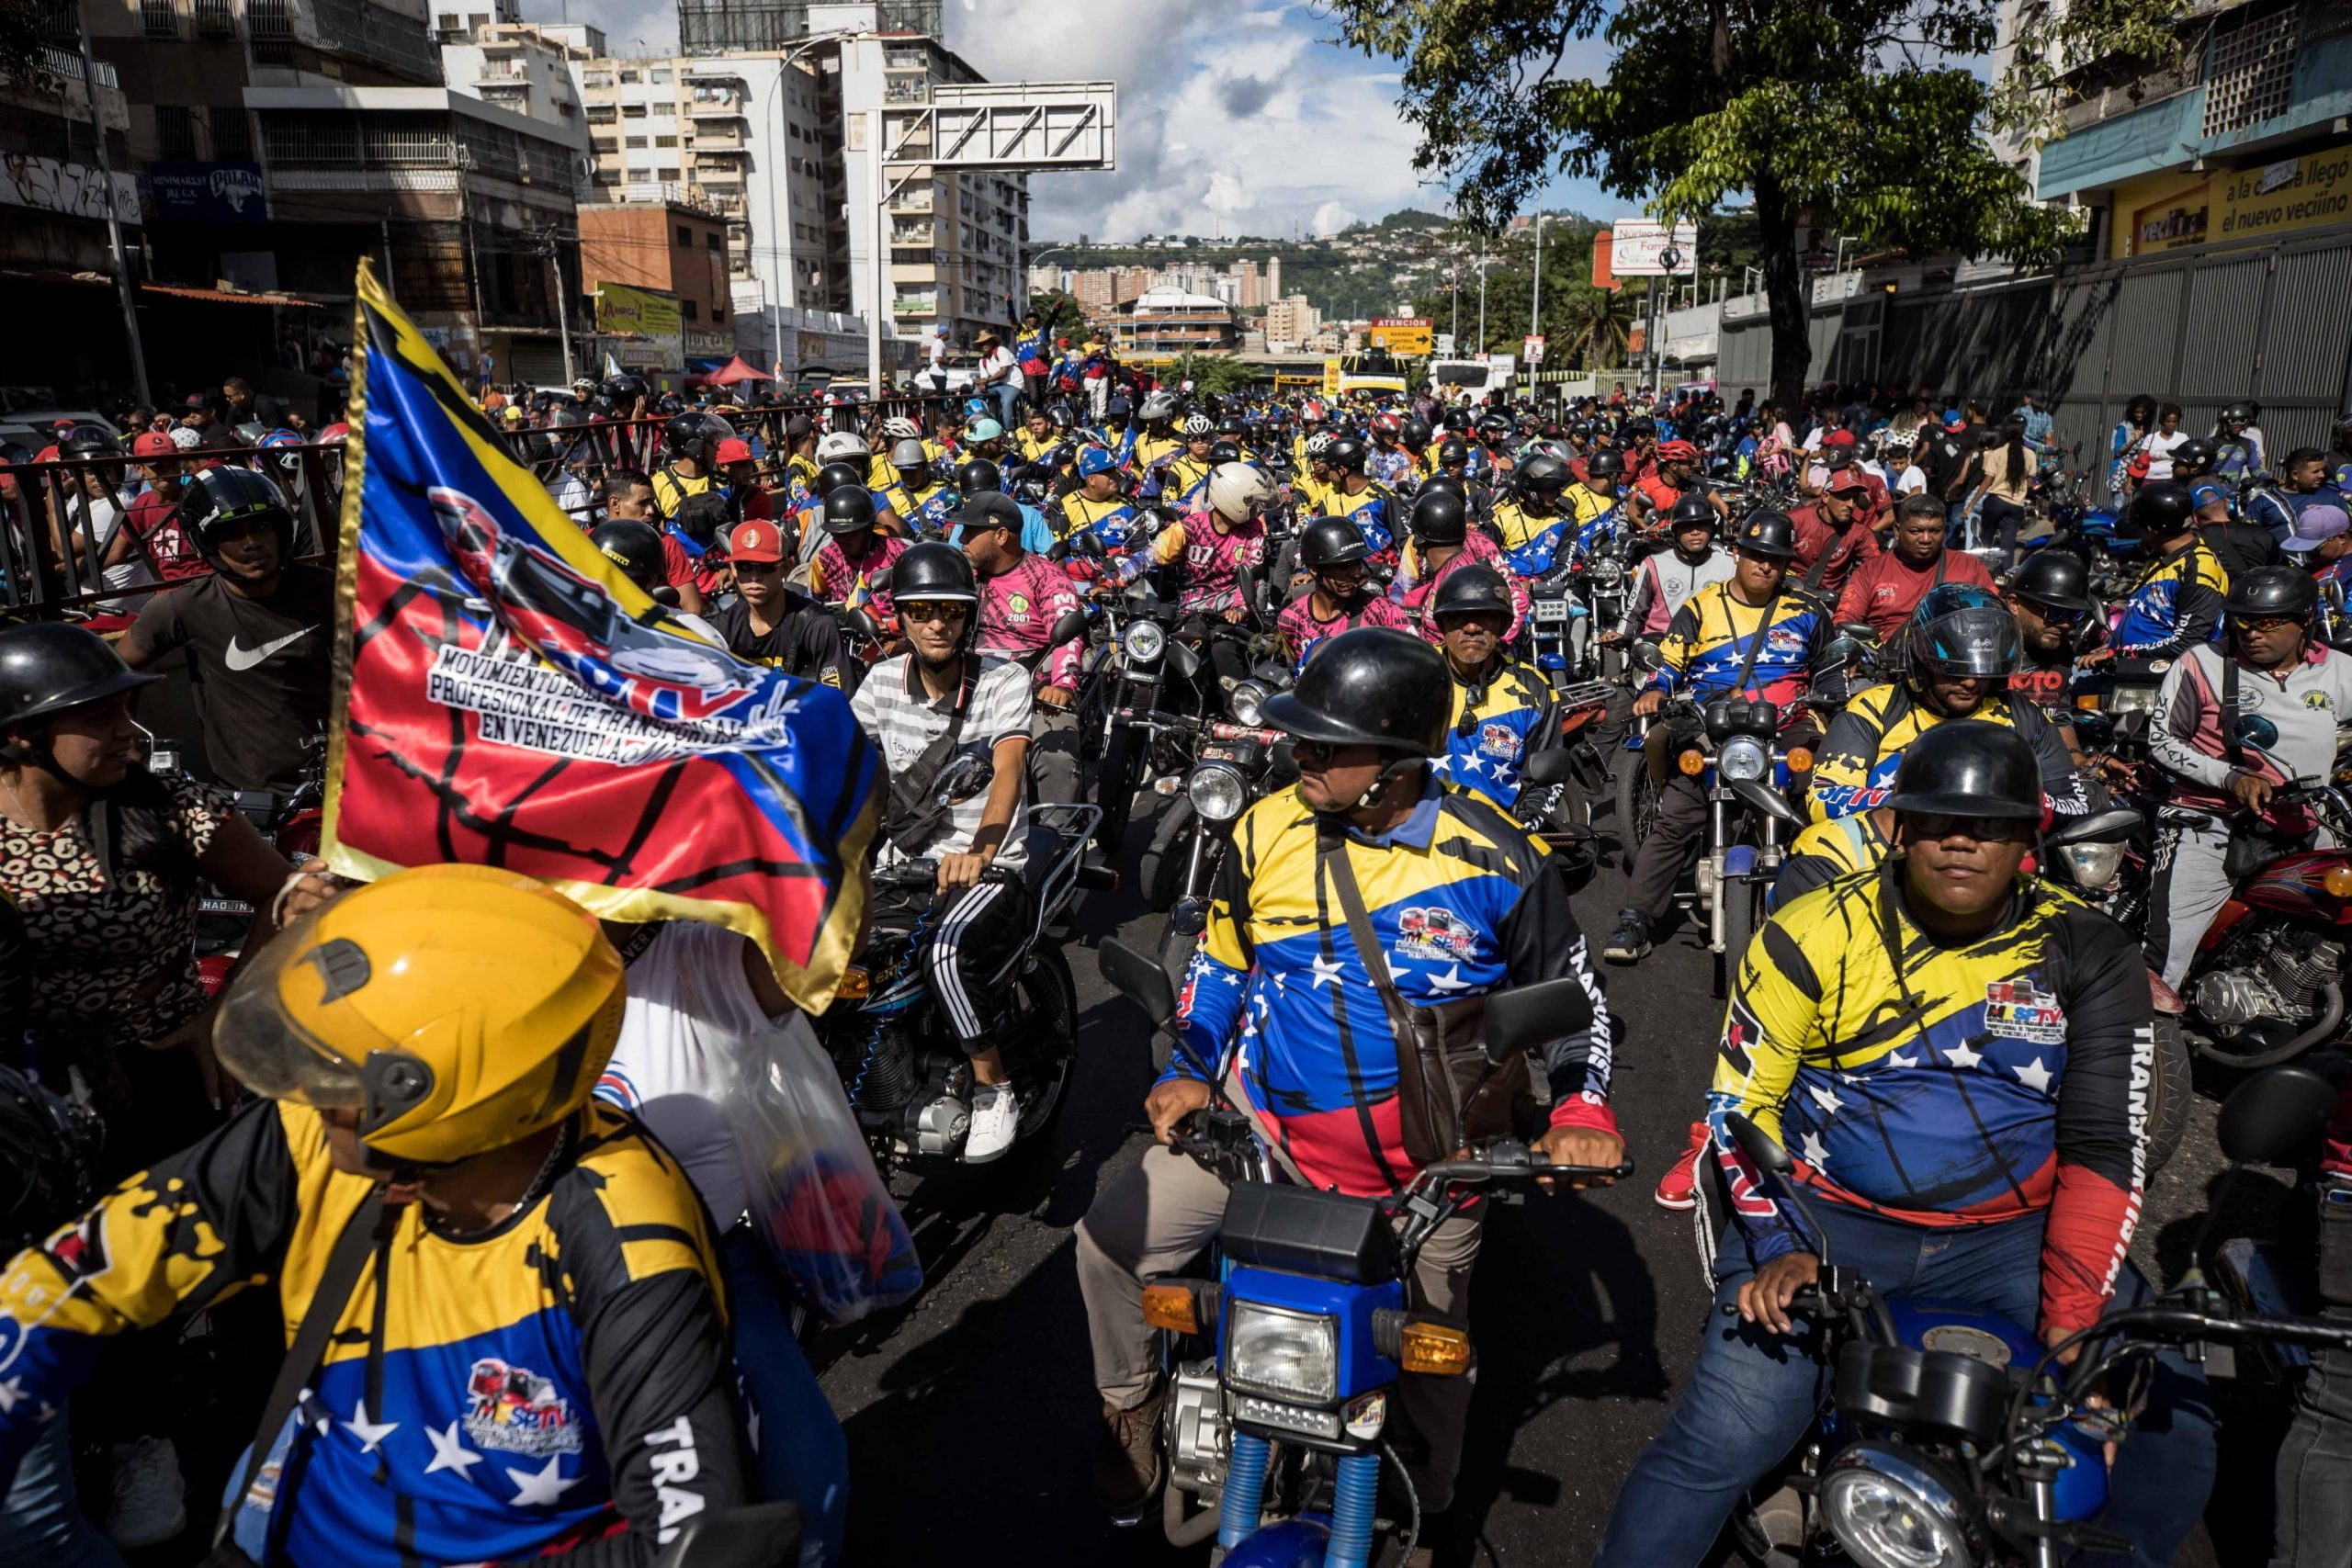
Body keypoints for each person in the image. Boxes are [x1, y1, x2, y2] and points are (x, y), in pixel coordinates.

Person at [0, 863, 754, 1568]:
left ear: (440, 1095)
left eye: (341, 1069)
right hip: (293, 1526)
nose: (307, 1088)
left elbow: (686, 1537)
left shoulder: (628, 1233)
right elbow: (68, 1279)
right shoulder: (309, 1134)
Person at [1596, 721, 2213, 1568]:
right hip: (1824, 1226)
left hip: (2011, 1243)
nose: (1963, 841)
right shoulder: (1809, 928)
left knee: (2171, 1424)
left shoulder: (2089, 949)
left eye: (1992, 824)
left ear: (2029, 838)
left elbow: (2107, 1146)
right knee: (1720, 1442)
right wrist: (1781, 1245)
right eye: (1937, 821)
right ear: (1898, 827)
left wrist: (2072, 1340)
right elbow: (1740, 1106)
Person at [1075, 627, 1621, 1527]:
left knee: (1434, 1374)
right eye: (1299, 737)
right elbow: (1221, 965)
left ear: (1399, 759)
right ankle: (1131, 1403)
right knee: (1108, 1241)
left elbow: (1578, 1001)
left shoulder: (1499, 859)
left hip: (1431, 1180)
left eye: (1325, 744)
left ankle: (1415, 1515)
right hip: (1265, 1140)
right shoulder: (1262, 827)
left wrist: (1581, 1108)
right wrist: (1190, 1067)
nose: (1300, 756)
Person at [846, 543, 1034, 1162]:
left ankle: (993, 1084)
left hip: (987, 866)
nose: (935, 624)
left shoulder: (1005, 678)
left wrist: (982, 849)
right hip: (900, 864)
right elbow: (844, 762)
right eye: (921, 610)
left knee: (947, 953)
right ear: (900, 617)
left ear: (968, 618)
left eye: (949, 612)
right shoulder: (878, 682)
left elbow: (1007, 770)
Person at [1605, 512, 1830, 969]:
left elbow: (1830, 667)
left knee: (1825, 809)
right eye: (1756, 556)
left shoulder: (1809, 610)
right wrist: (1654, 689)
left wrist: (1836, 691)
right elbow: (1667, 662)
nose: (1765, 566)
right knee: (1678, 817)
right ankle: (1636, 920)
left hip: (1789, 727)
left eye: (1776, 560)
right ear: (1738, 554)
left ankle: (1831, 917)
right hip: (1712, 728)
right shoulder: (1700, 607)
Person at [2144, 565, 2352, 989]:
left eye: (2269, 623)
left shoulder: (2341, 670)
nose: (2253, 633)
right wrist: (2229, 777)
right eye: (2244, 621)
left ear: (2305, 621)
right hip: (2207, 822)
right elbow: (2162, 741)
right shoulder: (2201, 663)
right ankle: (2139, 1044)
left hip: (2308, 822)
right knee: (2170, 953)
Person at [119, 466, 333, 795]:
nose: (251, 544)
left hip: (346, 779)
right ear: (207, 542)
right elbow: (113, 671)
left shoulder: (325, 587)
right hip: (255, 799)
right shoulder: (184, 607)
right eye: (232, 533)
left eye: (261, 527)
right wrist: (127, 745)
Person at [1810, 584, 2084, 823]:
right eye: (1953, 671)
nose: (1970, 684)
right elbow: (1824, 799)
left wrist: (2009, 801)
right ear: (1923, 662)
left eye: (1980, 673)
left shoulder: (2026, 717)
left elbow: (2076, 806)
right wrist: (1931, 805)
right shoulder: (1873, 709)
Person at [961, 491, 1083, 804]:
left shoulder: (1047, 578)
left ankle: (1060, 840)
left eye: (971, 532)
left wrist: (1062, 685)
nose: (962, 538)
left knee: (1056, 760)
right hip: (970, 685)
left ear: (1001, 535)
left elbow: (1067, 634)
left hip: (1033, 689)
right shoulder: (963, 576)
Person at [1428, 565, 1558, 807]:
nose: (1472, 628)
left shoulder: (1534, 690)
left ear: (1502, 626)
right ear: (1442, 625)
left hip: (1499, 834)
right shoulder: (1412, 678)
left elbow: (1545, 784)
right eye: (1459, 617)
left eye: (1484, 617)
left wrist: (1521, 826)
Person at [701, 518, 849, 688]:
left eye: (765, 566)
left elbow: (839, 701)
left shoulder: (818, 626)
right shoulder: (722, 628)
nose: (754, 577)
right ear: (733, 569)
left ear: (786, 567)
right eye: (745, 566)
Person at [1835, 493, 1998, 642]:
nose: (1926, 539)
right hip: (1890, 665)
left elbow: (1996, 614)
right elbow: (1845, 619)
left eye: (1934, 531)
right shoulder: (1871, 570)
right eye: (1916, 531)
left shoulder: (1970, 566)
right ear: (1898, 531)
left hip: (1958, 660)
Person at [2102, 480, 2229, 661]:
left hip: (2156, 677)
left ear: (2151, 529)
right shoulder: (2160, 560)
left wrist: (2126, 652)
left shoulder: (2199, 567)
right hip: (2127, 667)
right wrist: (2112, 647)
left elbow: (2188, 642)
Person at [1390, 485, 1525, 646]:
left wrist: (1498, 646)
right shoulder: (1447, 572)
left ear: (1419, 541)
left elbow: (1518, 597)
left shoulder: (1461, 577)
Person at [1275, 515, 1410, 669]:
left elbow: (1414, 663)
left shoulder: (1385, 612)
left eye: (1357, 564)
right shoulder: (1291, 621)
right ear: (1314, 570)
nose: (1355, 573)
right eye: (1343, 566)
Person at [1611, 494, 1735, 642]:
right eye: (1687, 527)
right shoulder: (1654, 564)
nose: (1695, 532)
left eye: (1701, 525)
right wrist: (1620, 633)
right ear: (1675, 531)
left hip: (1712, 646)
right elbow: (1635, 612)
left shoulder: (1730, 566)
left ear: (1712, 530)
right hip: (1661, 645)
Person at [808, 484, 908, 636]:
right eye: (836, 533)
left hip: (894, 636)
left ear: (868, 529)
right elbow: (815, 602)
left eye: (850, 533)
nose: (842, 539)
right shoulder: (824, 560)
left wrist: (887, 627)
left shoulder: (898, 554)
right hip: (846, 639)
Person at [1785, 468, 1882, 599]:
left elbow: (1875, 569)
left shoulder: (1860, 533)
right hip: (1788, 590)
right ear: (1825, 497)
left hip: (1826, 602)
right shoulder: (1796, 519)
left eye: (1855, 499)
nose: (1851, 505)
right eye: (1845, 497)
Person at [977, 329, 1021, 430]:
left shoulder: (1001, 350)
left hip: (1012, 383)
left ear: (992, 342)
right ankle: (981, 422)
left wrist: (986, 381)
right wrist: (981, 385)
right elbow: (983, 377)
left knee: (1006, 402)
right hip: (998, 384)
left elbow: (1003, 372)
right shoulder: (982, 361)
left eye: (986, 342)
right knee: (976, 393)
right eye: (982, 343)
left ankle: (1007, 430)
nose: (984, 345)